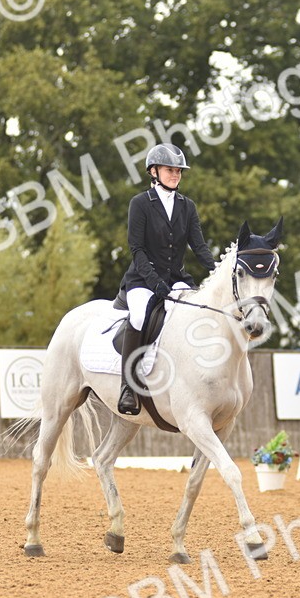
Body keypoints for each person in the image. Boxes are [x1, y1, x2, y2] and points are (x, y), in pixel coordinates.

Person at [117, 143, 216, 415]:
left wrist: (217, 270)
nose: (175, 175)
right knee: (138, 317)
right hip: (142, 280)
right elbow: (136, 249)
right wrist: (153, 282)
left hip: (176, 279)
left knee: (197, 311)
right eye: (170, 170)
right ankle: (129, 386)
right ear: (154, 171)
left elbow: (199, 246)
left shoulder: (188, 206)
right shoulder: (140, 204)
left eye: (178, 171)